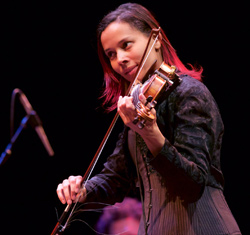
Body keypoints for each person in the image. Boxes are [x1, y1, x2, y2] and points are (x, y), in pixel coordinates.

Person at [56, 3, 241, 234]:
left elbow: (193, 185)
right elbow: (116, 177)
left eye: (126, 45)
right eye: (111, 54)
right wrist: (83, 190)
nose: (119, 60)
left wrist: (149, 131)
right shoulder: (140, 104)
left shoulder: (190, 94)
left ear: (155, 40)